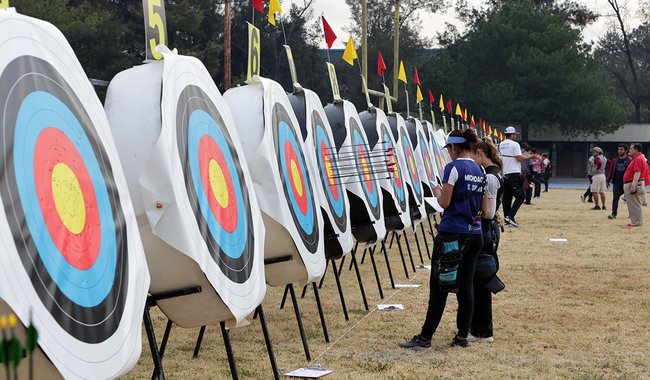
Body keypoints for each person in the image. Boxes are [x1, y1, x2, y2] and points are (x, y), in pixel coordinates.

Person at [400, 129, 484, 350]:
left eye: (449, 149)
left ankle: (425, 338)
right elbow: (484, 209)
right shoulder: (479, 170)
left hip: (452, 233)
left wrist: (438, 192)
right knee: (466, 286)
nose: (448, 153)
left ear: (454, 147)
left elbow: (445, 203)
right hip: (474, 234)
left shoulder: (453, 168)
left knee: (439, 285)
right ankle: (462, 337)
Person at [468, 138, 503, 343]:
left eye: (473, 154)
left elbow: (488, 213)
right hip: (488, 230)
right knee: (480, 279)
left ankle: (482, 330)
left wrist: (473, 210)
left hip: (485, 230)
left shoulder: (490, 177)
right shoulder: (495, 172)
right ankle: (481, 328)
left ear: (480, 152)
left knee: (480, 280)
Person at [499, 126, 527, 227]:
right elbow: (519, 158)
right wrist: (529, 157)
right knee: (521, 196)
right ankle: (510, 216)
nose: (515, 136)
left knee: (507, 198)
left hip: (504, 174)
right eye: (515, 134)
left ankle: (507, 219)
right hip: (513, 173)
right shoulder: (515, 144)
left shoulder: (501, 144)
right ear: (512, 135)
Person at [623, 143, 648, 227]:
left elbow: (637, 172)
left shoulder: (638, 159)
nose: (629, 150)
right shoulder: (639, 158)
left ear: (636, 150)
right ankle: (635, 221)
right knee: (634, 203)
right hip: (635, 182)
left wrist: (633, 185)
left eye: (631, 148)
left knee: (634, 204)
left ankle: (636, 222)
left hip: (633, 183)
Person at [606, 144, 632, 220]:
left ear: (626, 151)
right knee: (615, 198)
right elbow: (611, 171)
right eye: (618, 149)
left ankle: (631, 214)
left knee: (630, 199)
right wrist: (608, 180)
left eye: (621, 149)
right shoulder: (615, 160)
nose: (619, 151)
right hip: (617, 183)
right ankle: (614, 214)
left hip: (627, 183)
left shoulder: (630, 160)